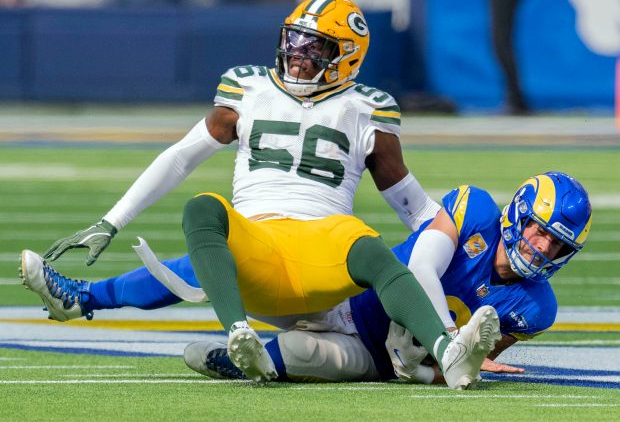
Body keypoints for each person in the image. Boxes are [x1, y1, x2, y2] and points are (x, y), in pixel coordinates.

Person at [36, 0, 499, 388]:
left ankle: (448, 352)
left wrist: (443, 249)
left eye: (315, 46)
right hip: (257, 248)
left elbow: (416, 208)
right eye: (294, 39)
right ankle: (239, 334)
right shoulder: (247, 86)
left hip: (321, 255)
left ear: (348, 56)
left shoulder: (368, 109)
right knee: (205, 211)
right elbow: (180, 156)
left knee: (370, 247)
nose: (298, 52)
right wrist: (110, 220)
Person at [21, 171, 591, 384]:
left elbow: (474, 359)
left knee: (303, 355)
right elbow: (421, 267)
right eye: (540, 231)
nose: (541, 248)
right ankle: (88, 297)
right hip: (349, 295)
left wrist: (454, 361)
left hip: (377, 361)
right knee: (224, 267)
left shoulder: (535, 306)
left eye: (556, 244)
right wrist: (448, 342)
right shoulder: (475, 209)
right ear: (517, 214)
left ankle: (246, 361)